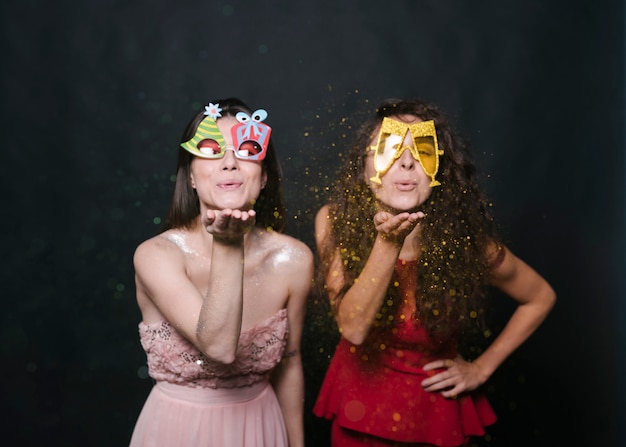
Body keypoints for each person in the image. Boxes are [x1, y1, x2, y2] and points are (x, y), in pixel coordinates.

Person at [312, 98, 556, 446]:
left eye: (422, 150)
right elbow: (352, 326)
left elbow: (540, 297)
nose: (407, 162)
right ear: (364, 169)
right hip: (359, 412)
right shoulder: (335, 222)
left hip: (434, 419)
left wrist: (481, 368)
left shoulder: (469, 244)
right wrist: (387, 242)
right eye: (391, 149)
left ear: (438, 169)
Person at [129, 98, 313, 447]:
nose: (229, 162)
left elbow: (290, 363)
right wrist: (229, 245)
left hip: (260, 427)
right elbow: (219, 348)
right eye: (212, 150)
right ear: (192, 177)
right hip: (177, 432)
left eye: (246, 150)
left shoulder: (294, 259)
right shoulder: (156, 255)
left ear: (264, 178)